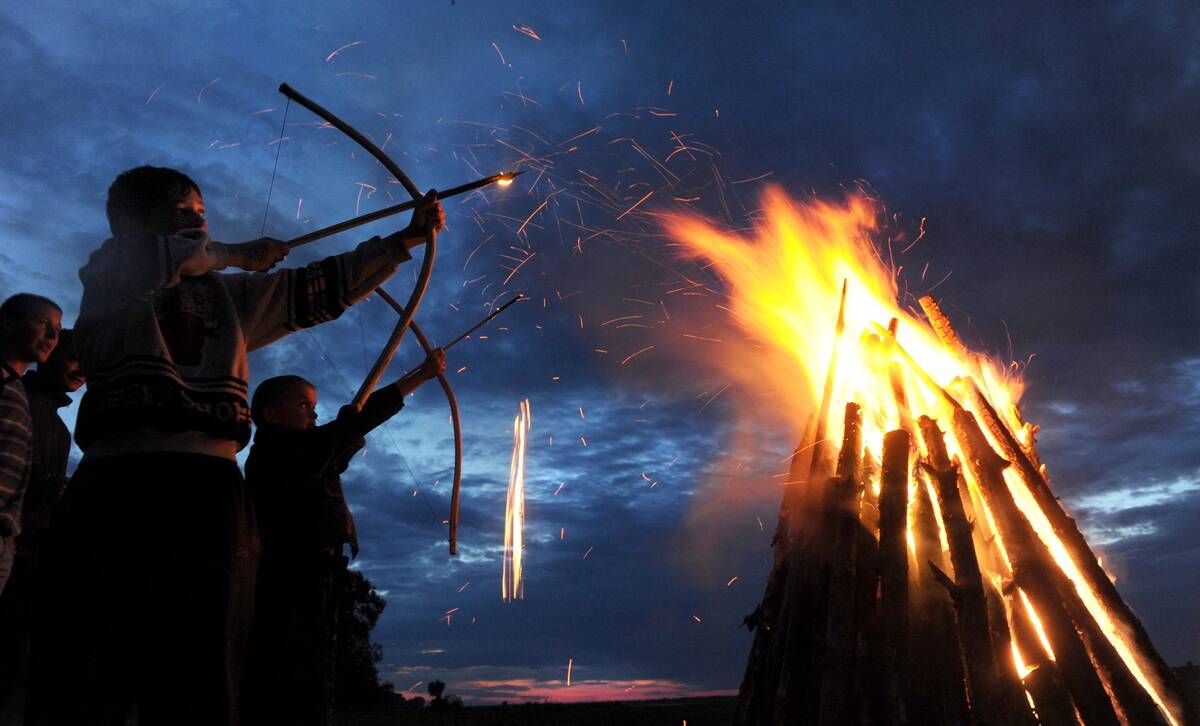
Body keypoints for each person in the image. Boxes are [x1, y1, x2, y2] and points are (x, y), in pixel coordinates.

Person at [25, 165, 444, 726]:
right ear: (133, 223)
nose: (198, 223)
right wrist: (239, 252)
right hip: (118, 484)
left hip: (208, 492)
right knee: (85, 674)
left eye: (202, 214)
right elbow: (162, 259)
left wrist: (403, 241)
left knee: (201, 674)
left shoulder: (226, 295)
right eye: (183, 212)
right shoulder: (111, 271)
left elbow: (316, 288)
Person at [241, 348, 446, 726]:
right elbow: (336, 440)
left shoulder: (298, 453)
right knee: (300, 669)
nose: (314, 413)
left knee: (315, 665)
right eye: (304, 404)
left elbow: (334, 454)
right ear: (271, 414)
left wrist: (347, 432)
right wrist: (419, 376)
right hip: (295, 573)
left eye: (314, 406)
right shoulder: (279, 451)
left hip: (316, 569)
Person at [0, 328, 83, 713]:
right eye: (73, 357)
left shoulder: (57, 424)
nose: (83, 369)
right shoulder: (16, 401)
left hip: (30, 556)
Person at [0, 294, 62, 597]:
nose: (52, 336)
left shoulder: (16, 389)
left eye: (58, 330)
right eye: (43, 324)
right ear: (9, 324)